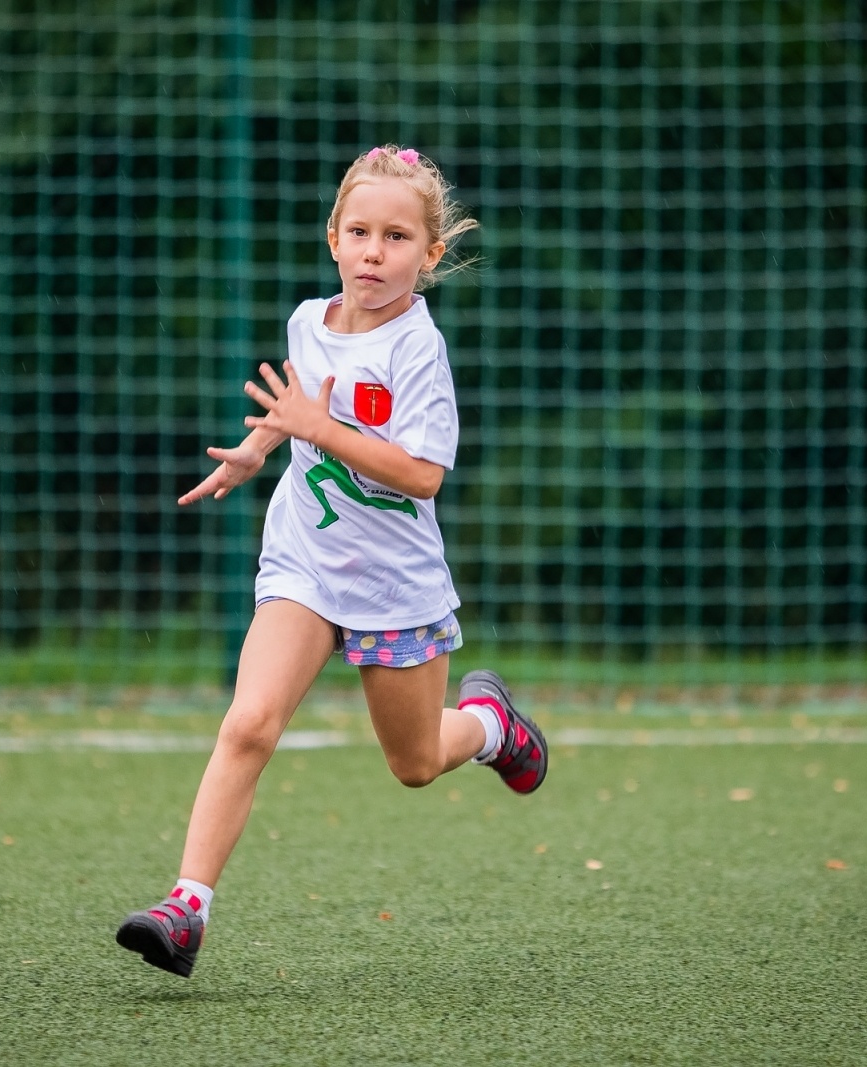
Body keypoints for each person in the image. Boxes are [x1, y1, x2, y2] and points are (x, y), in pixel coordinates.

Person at [114, 146, 547, 979]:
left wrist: (315, 429)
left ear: (429, 256)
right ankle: (186, 907)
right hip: (304, 566)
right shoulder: (307, 322)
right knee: (248, 723)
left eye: (395, 237)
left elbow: (421, 474)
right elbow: (301, 408)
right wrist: (254, 449)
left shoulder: (420, 351)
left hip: (394, 586)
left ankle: (491, 725)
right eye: (360, 232)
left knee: (415, 764)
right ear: (333, 239)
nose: (374, 252)